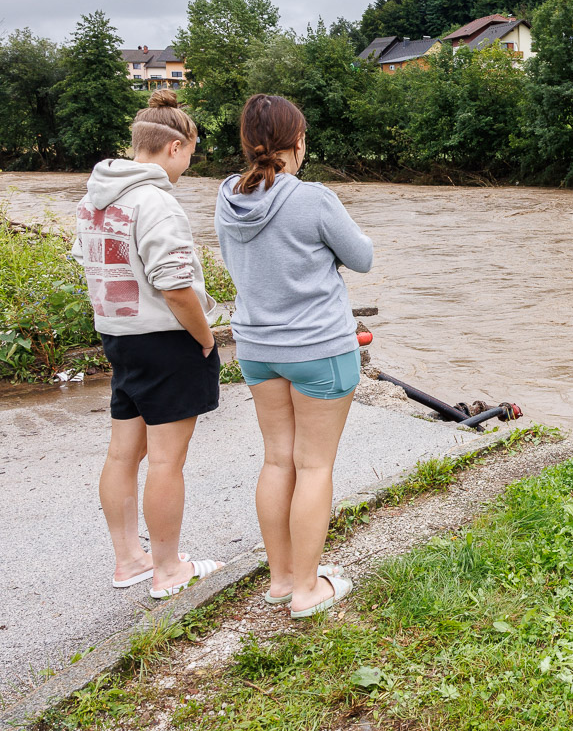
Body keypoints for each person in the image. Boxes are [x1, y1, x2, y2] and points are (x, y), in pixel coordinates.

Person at [215, 94, 372, 617]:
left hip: (257, 350)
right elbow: (362, 258)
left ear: (247, 143)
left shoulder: (225, 197)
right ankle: (309, 590)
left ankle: (281, 579)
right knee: (314, 465)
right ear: (298, 142)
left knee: (277, 458)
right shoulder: (314, 198)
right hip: (318, 349)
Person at [74, 89, 224, 599]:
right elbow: (175, 284)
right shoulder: (155, 201)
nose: (187, 166)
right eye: (191, 154)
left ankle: (129, 561)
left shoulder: (95, 198)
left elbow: (89, 263)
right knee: (165, 461)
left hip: (119, 338)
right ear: (175, 147)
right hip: (166, 341)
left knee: (122, 455)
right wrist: (205, 338)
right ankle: (167, 571)